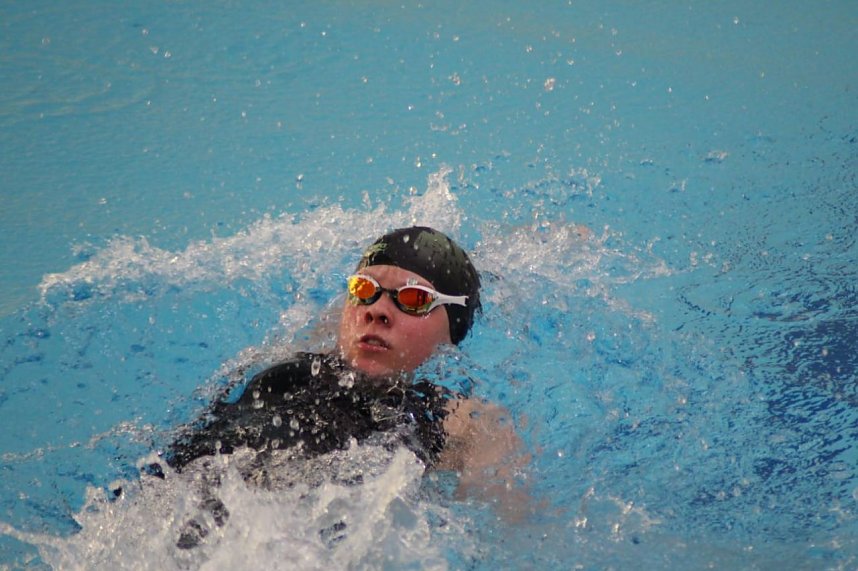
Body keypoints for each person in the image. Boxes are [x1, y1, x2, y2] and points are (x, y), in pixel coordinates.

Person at [164, 226, 526, 536]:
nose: (377, 311)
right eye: (364, 290)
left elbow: (503, 528)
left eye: (415, 299)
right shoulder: (299, 364)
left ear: (453, 331)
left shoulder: (463, 420)